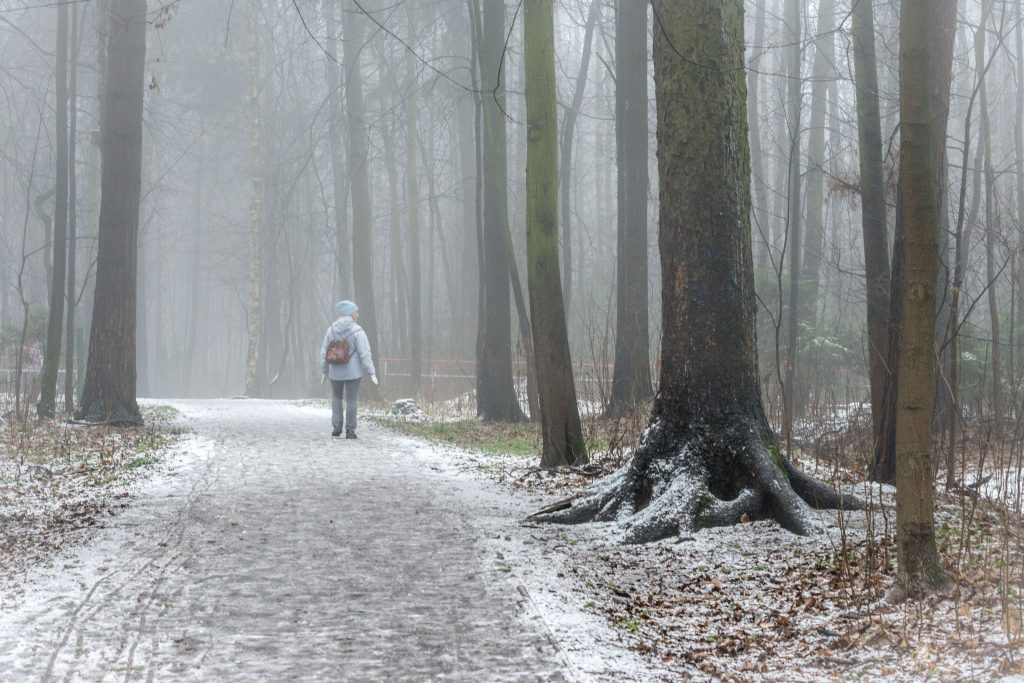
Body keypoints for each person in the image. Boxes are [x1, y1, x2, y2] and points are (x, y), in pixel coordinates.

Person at [320, 300, 377, 438]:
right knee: (351, 400)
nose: (357, 314)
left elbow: (324, 352)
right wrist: (371, 372)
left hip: (335, 372)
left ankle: (336, 427)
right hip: (353, 372)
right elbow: (365, 353)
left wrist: (324, 370)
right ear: (349, 314)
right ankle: (350, 430)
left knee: (337, 398)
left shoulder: (331, 330)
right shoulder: (358, 331)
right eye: (354, 312)